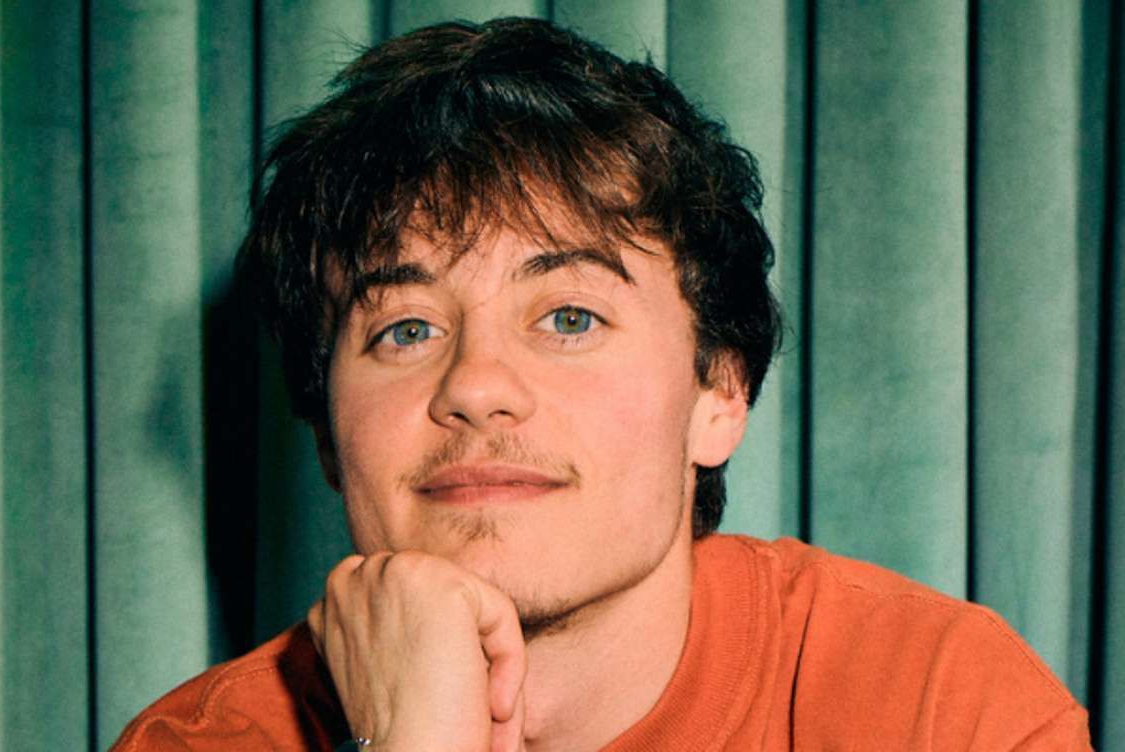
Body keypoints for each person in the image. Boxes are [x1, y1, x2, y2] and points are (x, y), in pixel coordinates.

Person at [112, 17, 1091, 751]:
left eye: (568, 317)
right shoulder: (204, 742)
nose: (477, 386)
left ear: (720, 393)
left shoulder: (939, 705)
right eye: (406, 329)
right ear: (328, 432)